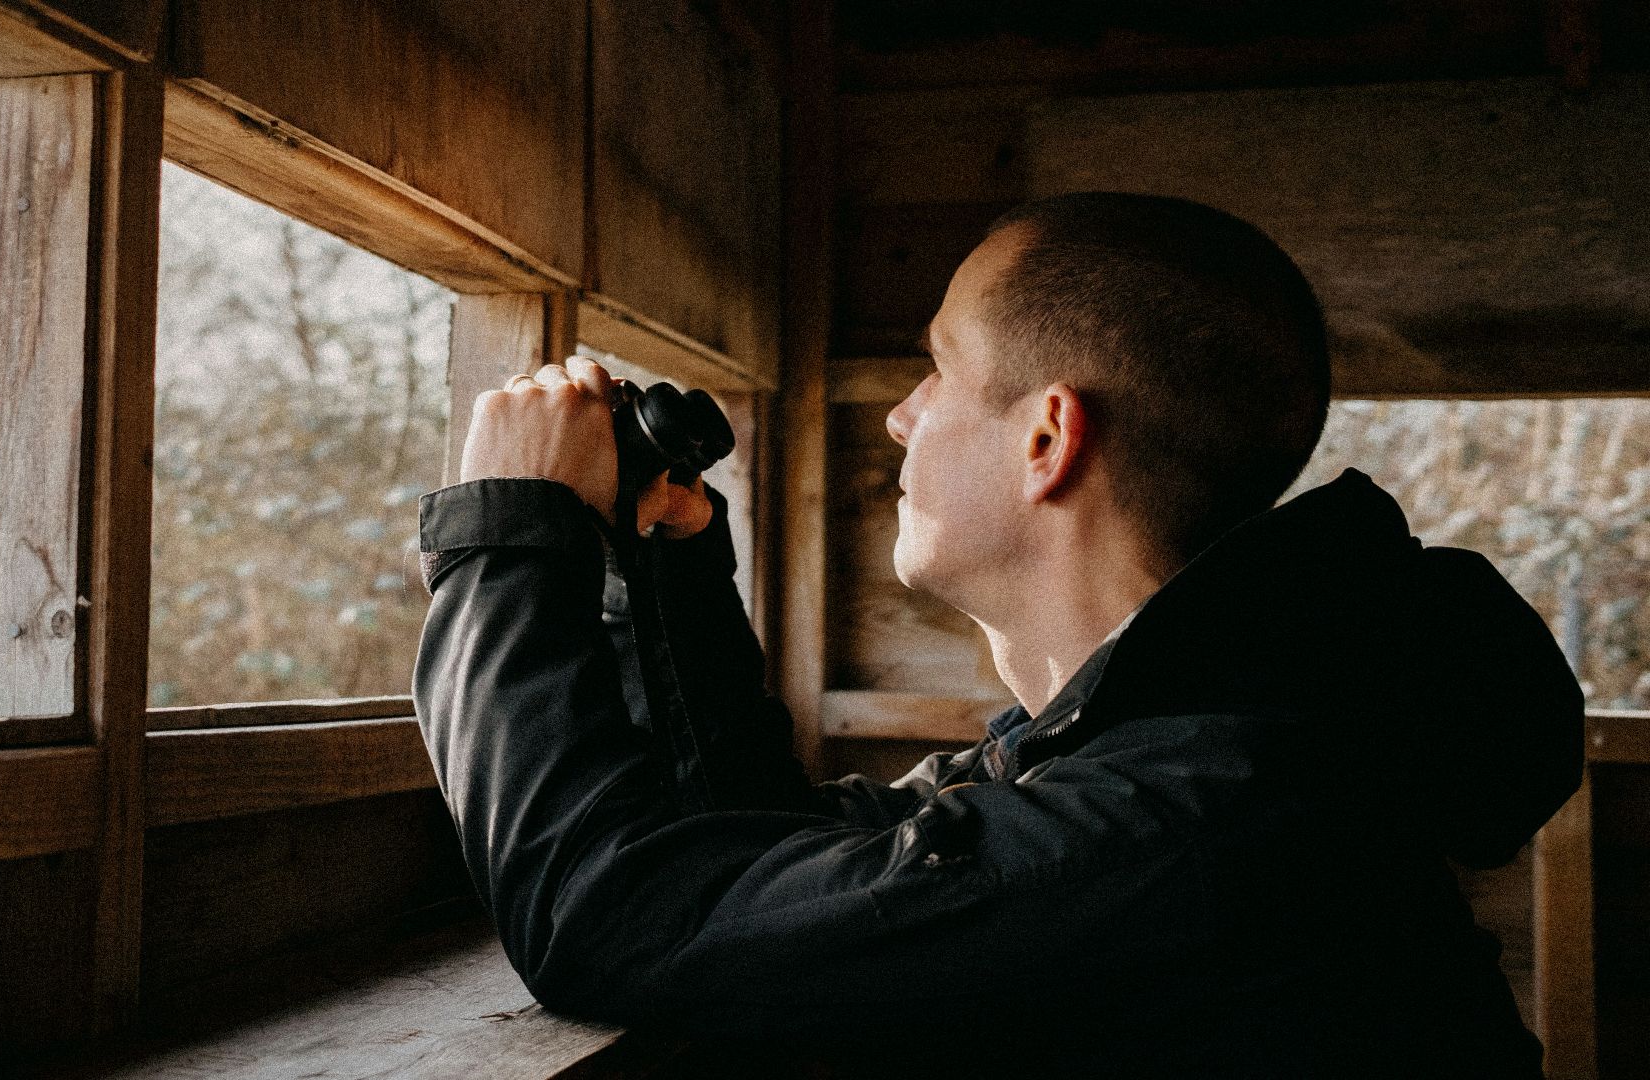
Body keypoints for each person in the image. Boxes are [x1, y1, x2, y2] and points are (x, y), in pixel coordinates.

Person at [410, 192, 1584, 1078]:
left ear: (1047, 439)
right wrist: (671, 568)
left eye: (937, 369)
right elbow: (772, 868)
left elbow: (607, 924)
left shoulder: (1189, 825)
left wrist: (514, 535)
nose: (900, 415)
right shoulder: (1184, 753)